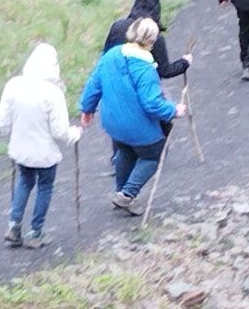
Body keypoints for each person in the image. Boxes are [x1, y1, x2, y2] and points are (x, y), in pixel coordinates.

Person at [79, 18, 187, 215]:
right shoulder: (145, 69)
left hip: (113, 123)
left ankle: (120, 192)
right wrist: (174, 110)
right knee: (155, 154)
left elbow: (94, 83)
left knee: (125, 152)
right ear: (151, 40)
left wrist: (87, 109)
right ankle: (127, 194)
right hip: (137, 127)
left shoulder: (111, 55)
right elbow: (152, 103)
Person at [0, 43, 82, 249]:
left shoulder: (14, 85)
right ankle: (35, 232)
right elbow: (60, 131)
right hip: (44, 154)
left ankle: (14, 226)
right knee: (45, 187)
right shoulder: (53, 92)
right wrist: (74, 134)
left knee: (24, 183)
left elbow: (3, 123)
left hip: (21, 150)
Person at [102, 0, 191, 80]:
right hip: (139, 84)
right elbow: (165, 71)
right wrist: (184, 62)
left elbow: (105, 55)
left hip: (111, 79)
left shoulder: (117, 26)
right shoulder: (154, 37)